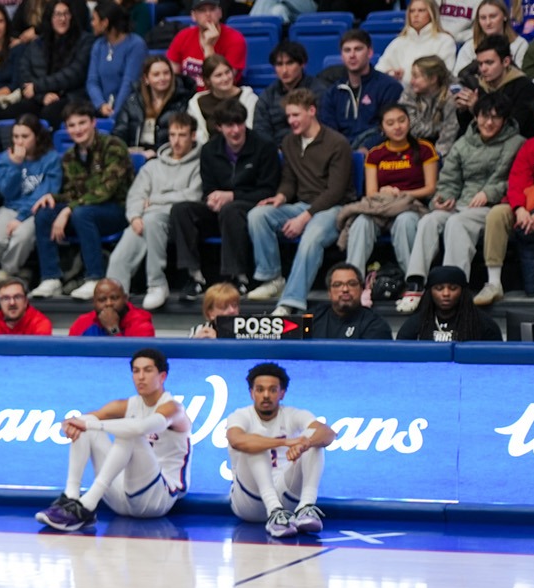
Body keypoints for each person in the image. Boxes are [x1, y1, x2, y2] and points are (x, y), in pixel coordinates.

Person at [34, 347, 190, 530]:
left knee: (130, 432)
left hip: (158, 498)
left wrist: (90, 425)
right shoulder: (126, 404)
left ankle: (86, 507)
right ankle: (71, 496)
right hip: (121, 497)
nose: (140, 377)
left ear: (162, 377)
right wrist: (69, 424)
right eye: (136, 371)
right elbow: (81, 422)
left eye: (147, 370)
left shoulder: (174, 409)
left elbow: (140, 427)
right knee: (86, 420)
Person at [247, 90, 353, 316]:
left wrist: (304, 218)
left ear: (311, 111)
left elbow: (336, 191)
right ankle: (271, 278)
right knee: (258, 215)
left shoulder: (337, 143)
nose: (291, 121)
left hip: (334, 208)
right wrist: (281, 197)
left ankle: (291, 301)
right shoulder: (289, 142)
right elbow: (289, 180)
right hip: (301, 204)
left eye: (296, 115)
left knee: (311, 236)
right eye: (288, 116)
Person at [172, 102, 281, 299]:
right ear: (219, 127)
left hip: (251, 208)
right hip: (220, 211)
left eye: (239, 124)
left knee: (231, 209)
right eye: (229, 125)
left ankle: (238, 277)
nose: (236, 130)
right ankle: (194, 276)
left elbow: (268, 190)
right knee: (181, 210)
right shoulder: (209, 150)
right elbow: (208, 189)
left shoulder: (264, 146)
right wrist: (212, 199)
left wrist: (233, 196)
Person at [30, 103, 133, 299]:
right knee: (45, 212)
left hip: (117, 211)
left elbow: (105, 190)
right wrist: (53, 198)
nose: (77, 129)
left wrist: (68, 209)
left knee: (81, 213)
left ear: (93, 122)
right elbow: (70, 193)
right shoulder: (69, 156)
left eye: (82, 123)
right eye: (72, 125)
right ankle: (51, 278)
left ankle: (94, 278)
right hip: (83, 212)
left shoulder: (113, 146)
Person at [224, 361, 335, 538]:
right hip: (249, 501)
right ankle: (273, 511)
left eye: (272, 390)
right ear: (252, 393)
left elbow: (328, 433)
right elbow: (236, 440)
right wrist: (283, 443)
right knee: (253, 441)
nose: (266, 395)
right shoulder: (240, 415)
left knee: (313, 440)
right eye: (260, 390)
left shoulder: (293, 414)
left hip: (286, 498)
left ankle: (306, 507)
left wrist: (304, 443)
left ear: (282, 393)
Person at [106, 113, 202, 309]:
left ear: (193, 136)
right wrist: (134, 217)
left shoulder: (200, 164)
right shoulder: (152, 166)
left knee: (153, 219)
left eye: (182, 135)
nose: (176, 141)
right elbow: (135, 196)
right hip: (145, 218)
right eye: (173, 134)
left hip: (179, 220)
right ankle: (114, 301)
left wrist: (156, 200)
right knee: (119, 257)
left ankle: (157, 283)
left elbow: (192, 196)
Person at [340, 104, 441, 285]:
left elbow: (430, 188)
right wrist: (384, 193)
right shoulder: (375, 154)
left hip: (411, 206)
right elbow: (371, 193)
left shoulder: (425, 149)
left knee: (405, 221)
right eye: (391, 123)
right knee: (362, 222)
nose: (397, 127)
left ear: (409, 122)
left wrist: (402, 194)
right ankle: (353, 280)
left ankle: (414, 280)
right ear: (382, 128)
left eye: (402, 121)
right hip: (382, 207)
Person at [476, 93, 534, 304]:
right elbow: (517, 181)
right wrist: (519, 208)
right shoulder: (530, 146)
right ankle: (494, 283)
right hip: (531, 206)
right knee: (497, 213)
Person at [0, 115, 60, 285]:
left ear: (37, 137)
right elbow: (7, 193)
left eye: (25, 136)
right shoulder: (6, 158)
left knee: (21, 237)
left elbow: (45, 194)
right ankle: (19, 271)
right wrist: (15, 164)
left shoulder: (51, 158)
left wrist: (21, 218)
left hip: (36, 211)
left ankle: (5, 275)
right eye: (16, 137)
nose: (19, 142)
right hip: (10, 208)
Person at [318, 32, 404, 148]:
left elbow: (389, 128)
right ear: (342, 56)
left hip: (379, 151)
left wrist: (366, 148)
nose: (352, 55)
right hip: (341, 153)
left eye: (358, 49)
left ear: (369, 53)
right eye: (347, 50)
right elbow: (328, 131)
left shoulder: (389, 87)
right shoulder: (333, 92)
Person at [455, 34, 534, 140]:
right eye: (480, 64)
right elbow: (466, 130)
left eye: (489, 63)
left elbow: (514, 129)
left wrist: (477, 109)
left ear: (506, 62)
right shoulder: (480, 86)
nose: (483, 69)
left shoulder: (525, 88)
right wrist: (463, 111)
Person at [255, 42, 330, 152]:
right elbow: (260, 130)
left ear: (302, 64)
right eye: (279, 64)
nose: (284, 70)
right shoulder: (267, 96)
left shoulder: (319, 91)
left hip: (312, 150)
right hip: (276, 154)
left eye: (290, 63)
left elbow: (322, 127)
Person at [397, 264, 505, 337]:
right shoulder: (414, 324)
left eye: (453, 288)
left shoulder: (484, 325)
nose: (446, 293)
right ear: (430, 292)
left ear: (463, 291)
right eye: (439, 288)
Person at [116, 55, 189, 153]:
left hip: (168, 155)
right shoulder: (132, 101)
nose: (162, 78)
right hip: (136, 154)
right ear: (146, 78)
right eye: (156, 74)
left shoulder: (182, 101)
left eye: (166, 73)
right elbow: (119, 133)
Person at [86, 1, 145, 120]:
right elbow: (92, 80)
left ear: (105, 22)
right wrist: (101, 104)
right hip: (101, 108)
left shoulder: (136, 44)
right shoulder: (98, 45)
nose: (92, 24)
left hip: (127, 109)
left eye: (94, 19)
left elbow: (129, 83)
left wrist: (114, 114)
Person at [379, 0, 460, 85]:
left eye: (421, 10)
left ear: (431, 13)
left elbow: (445, 75)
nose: (415, 15)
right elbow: (379, 71)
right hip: (400, 94)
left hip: (432, 94)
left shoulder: (445, 41)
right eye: (412, 11)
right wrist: (390, 74)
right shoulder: (398, 42)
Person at [307, 262, 395, 338]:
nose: (345, 289)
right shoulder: (312, 319)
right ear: (329, 292)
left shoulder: (376, 325)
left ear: (361, 289)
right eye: (338, 284)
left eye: (352, 284)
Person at [168, 0, 245, 86]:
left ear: (220, 13)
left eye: (212, 9)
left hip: (221, 96)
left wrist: (208, 47)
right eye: (202, 10)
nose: (208, 14)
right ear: (193, 16)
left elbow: (222, 83)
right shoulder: (182, 36)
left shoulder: (235, 39)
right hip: (188, 95)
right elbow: (172, 76)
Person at [185, 55, 258, 140]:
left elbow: (251, 131)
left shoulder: (249, 99)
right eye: (218, 75)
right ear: (208, 80)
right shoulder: (197, 103)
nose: (225, 78)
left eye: (227, 72)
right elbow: (197, 137)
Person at [401, 56, 459, 148]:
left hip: (442, 147)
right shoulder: (410, 91)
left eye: (416, 76)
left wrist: (437, 158)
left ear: (433, 79)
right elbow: (411, 127)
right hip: (412, 143)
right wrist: (438, 128)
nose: (411, 81)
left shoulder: (451, 97)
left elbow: (448, 135)